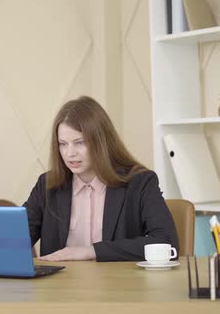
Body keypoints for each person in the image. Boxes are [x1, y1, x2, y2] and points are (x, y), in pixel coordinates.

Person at [23, 96, 179, 262]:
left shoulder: (140, 183)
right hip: (60, 286)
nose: (70, 153)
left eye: (80, 142)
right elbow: (13, 240)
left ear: (101, 142)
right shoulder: (47, 185)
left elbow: (166, 242)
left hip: (120, 285)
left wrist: (92, 251)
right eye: (63, 144)